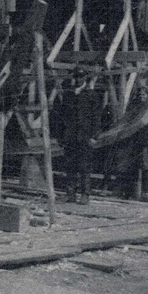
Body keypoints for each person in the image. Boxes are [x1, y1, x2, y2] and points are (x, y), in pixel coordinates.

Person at [62, 68, 103, 204]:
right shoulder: (68, 95)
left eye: (81, 77)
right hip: (70, 136)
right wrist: (61, 136)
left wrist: (94, 136)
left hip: (85, 136)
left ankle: (85, 194)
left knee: (84, 166)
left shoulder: (91, 95)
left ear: (85, 78)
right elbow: (62, 116)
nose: (79, 79)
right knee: (70, 165)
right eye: (76, 77)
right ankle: (70, 194)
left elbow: (96, 118)